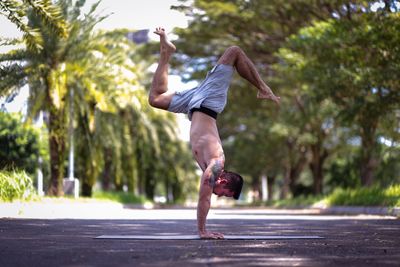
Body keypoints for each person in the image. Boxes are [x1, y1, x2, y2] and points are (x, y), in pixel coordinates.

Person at [149, 27, 280, 239]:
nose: (219, 195)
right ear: (225, 182)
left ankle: (166, 52)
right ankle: (264, 88)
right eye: (225, 194)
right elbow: (204, 199)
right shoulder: (217, 164)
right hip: (209, 100)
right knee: (234, 51)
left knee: (155, 99)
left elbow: (206, 195)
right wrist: (203, 231)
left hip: (194, 105)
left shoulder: (211, 167)